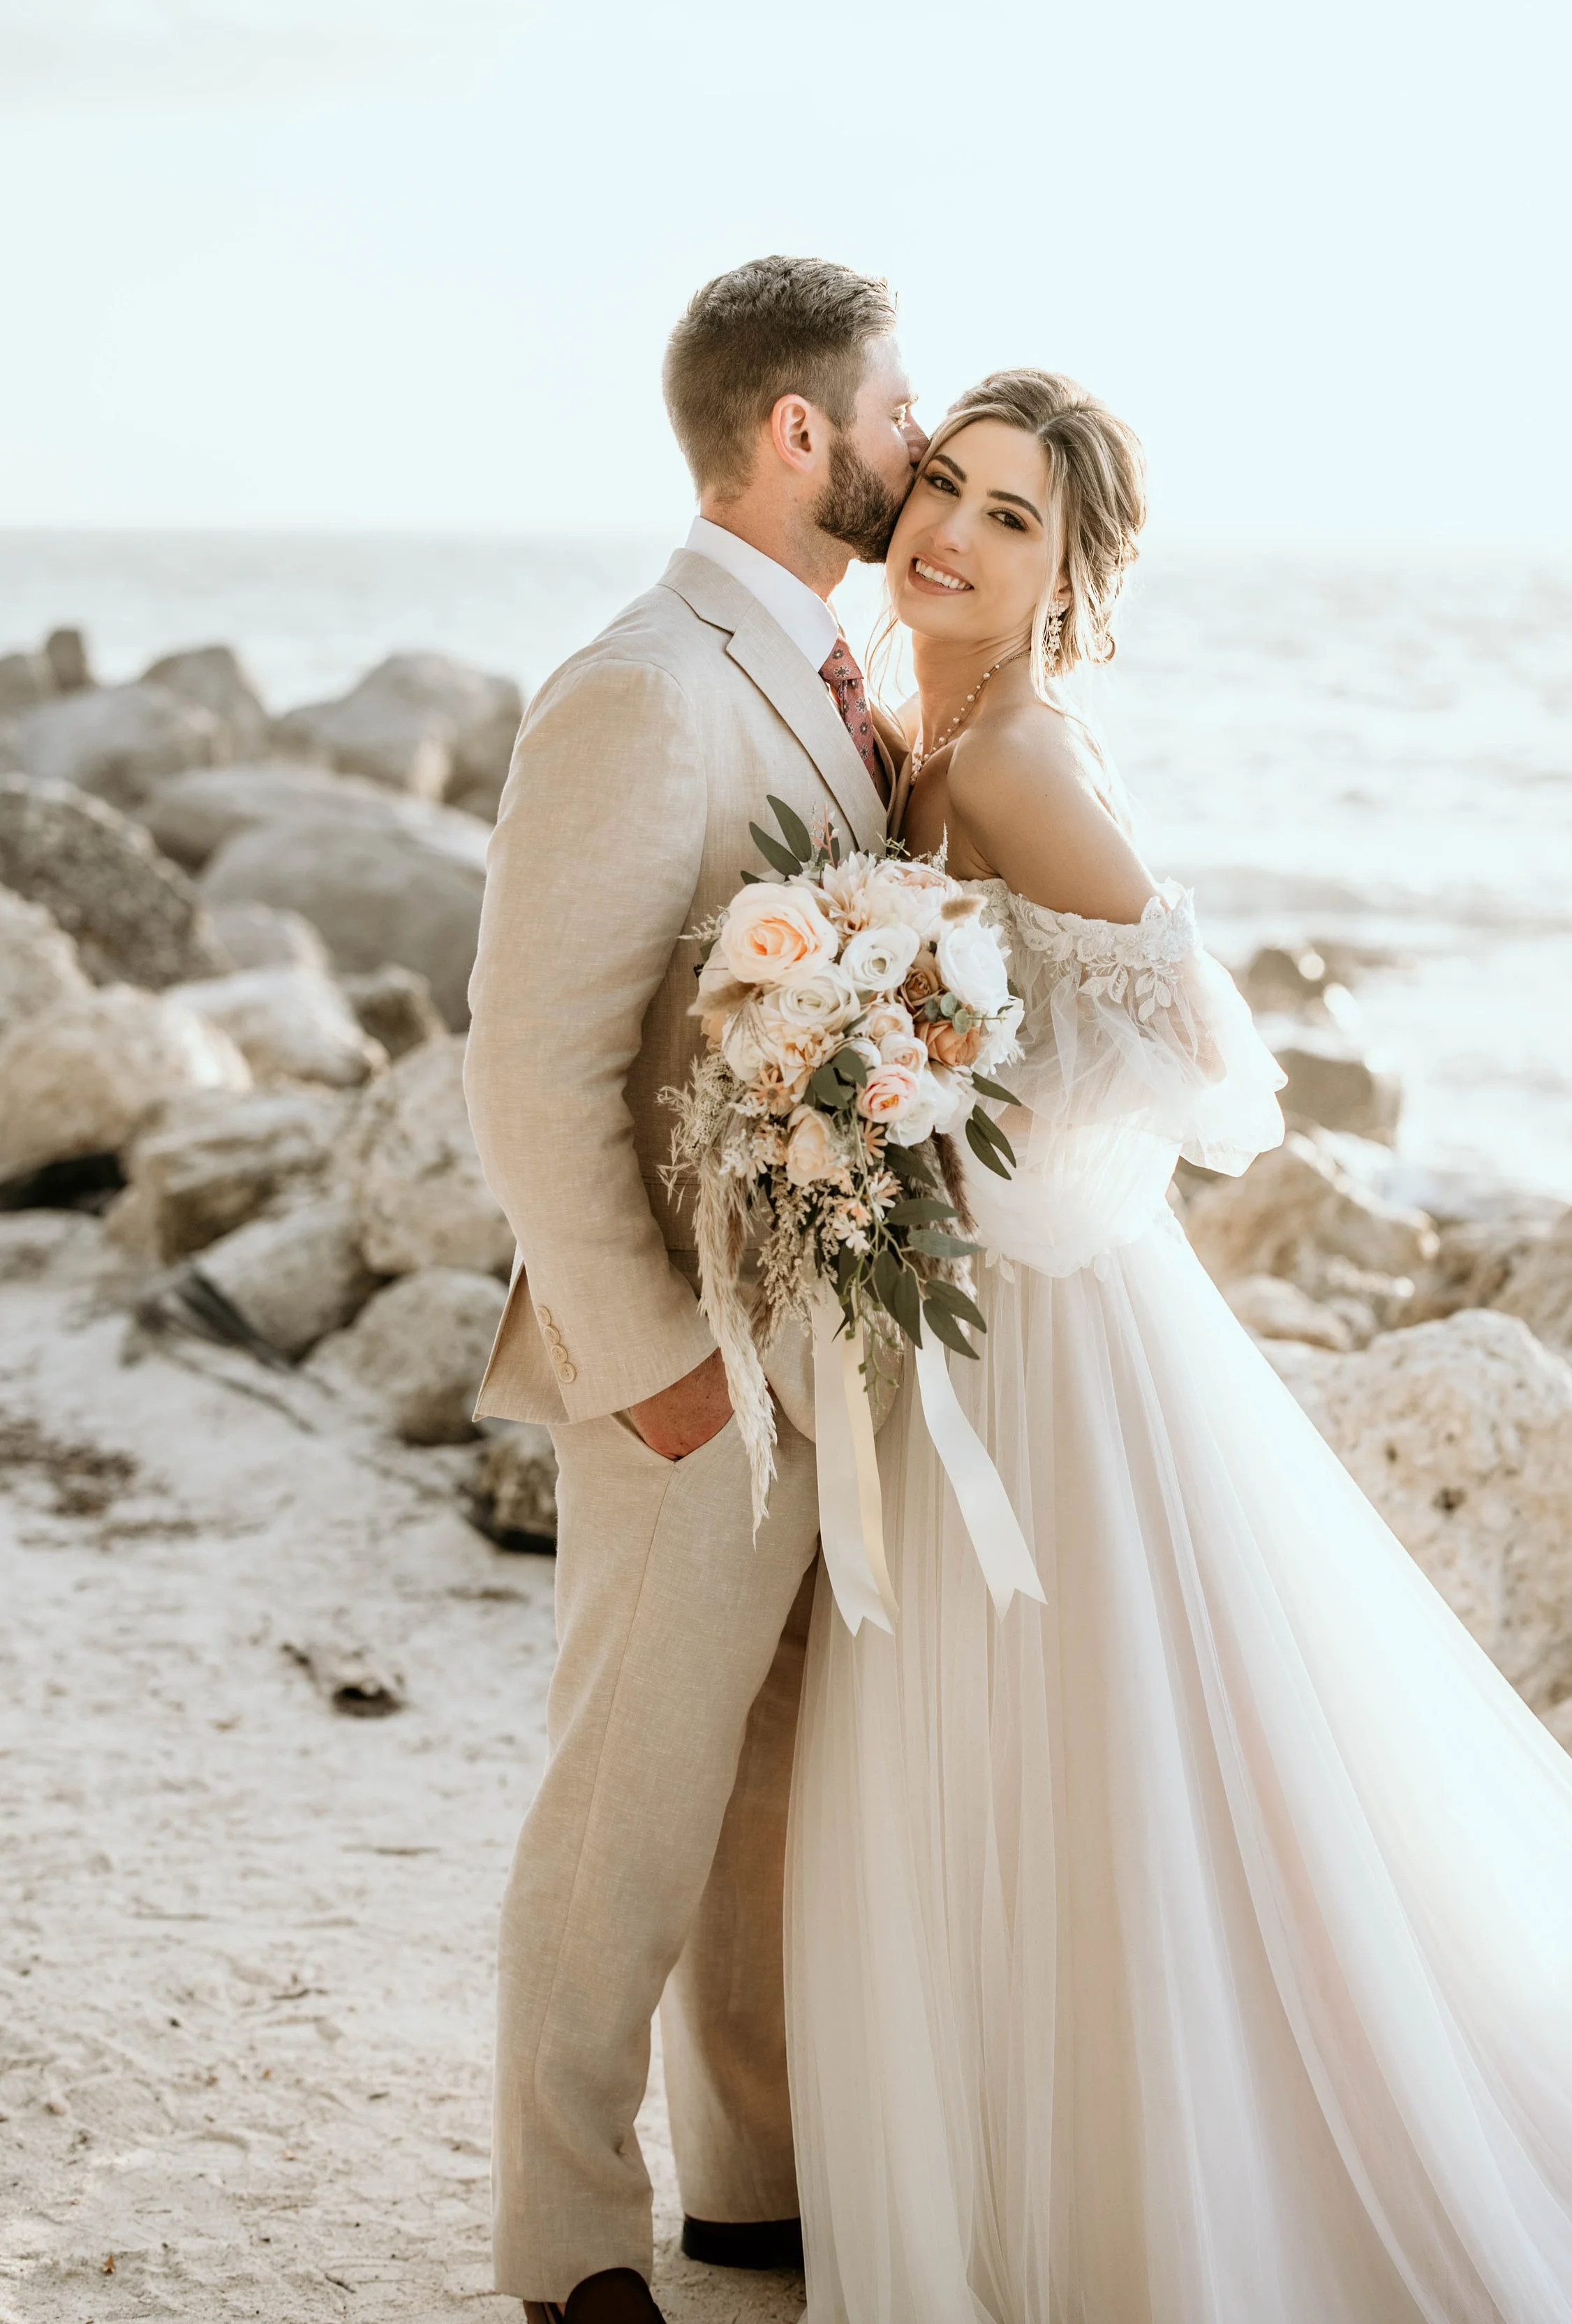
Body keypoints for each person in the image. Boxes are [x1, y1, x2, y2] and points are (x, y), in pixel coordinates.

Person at [785, 369, 1572, 2321]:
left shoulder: (1017, 762)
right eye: (944, 484)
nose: (951, 530)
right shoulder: (924, 730)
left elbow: (1217, 1059)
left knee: (1100, 1765)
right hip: (984, 1329)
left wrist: (986, 1131)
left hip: (1055, 1338)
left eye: (1012, 517)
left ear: (1068, 576)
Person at [464, 255, 924, 2324]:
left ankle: (745, 2175)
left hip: (809, 1352)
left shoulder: (821, 681)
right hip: (680, 1371)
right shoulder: (642, 683)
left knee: (760, 1796)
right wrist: (651, 1363)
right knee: (623, 1807)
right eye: (893, 410)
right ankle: (566, 2236)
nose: (916, 447)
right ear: (798, 434)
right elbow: (527, 1058)